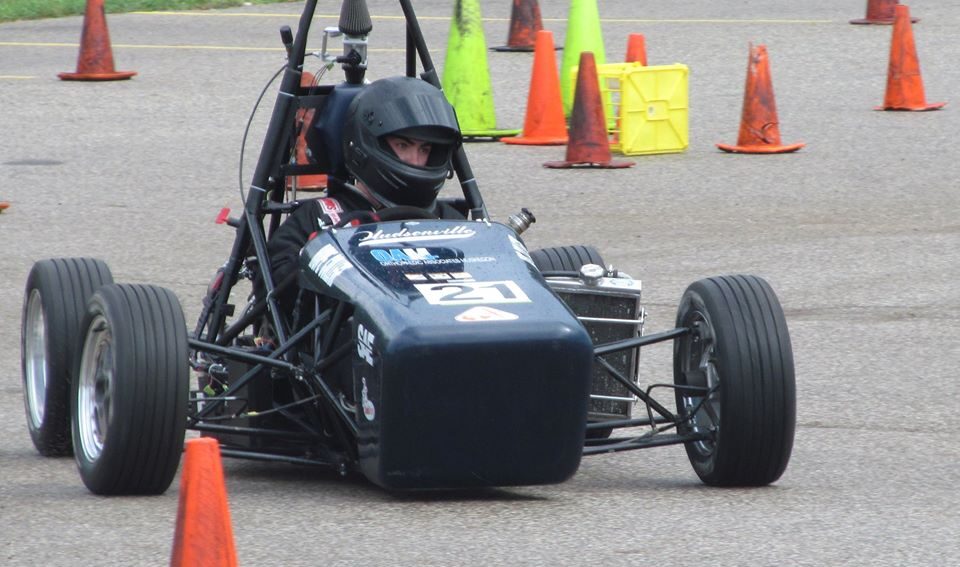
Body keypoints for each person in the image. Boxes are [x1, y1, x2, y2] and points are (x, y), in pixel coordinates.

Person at [264, 76, 464, 314]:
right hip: (349, 342)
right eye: (403, 146)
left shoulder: (449, 220)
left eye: (425, 149)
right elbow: (277, 296)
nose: (415, 161)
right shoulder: (319, 218)